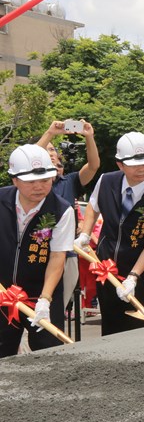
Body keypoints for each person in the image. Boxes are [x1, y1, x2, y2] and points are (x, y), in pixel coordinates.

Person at [77, 132, 144, 336]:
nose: (142, 169)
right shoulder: (106, 181)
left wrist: (133, 277)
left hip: (143, 270)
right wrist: (85, 234)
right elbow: (93, 207)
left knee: (140, 327)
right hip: (107, 266)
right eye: (134, 164)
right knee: (111, 324)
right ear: (120, 164)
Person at [0, 145, 76, 357]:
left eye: (44, 180)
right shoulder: (1, 200)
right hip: (3, 293)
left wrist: (44, 299)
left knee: (49, 350)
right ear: (14, 180)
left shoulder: (62, 210)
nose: (39, 186)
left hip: (41, 294)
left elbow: (57, 256)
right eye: (31, 181)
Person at [37, 119, 101, 309]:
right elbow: (29, 158)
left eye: (52, 150)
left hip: (67, 251)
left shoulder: (70, 181)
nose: (50, 153)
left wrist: (89, 137)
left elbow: (93, 165)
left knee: (60, 303)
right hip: (39, 249)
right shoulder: (32, 184)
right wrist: (50, 133)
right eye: (46, 150)